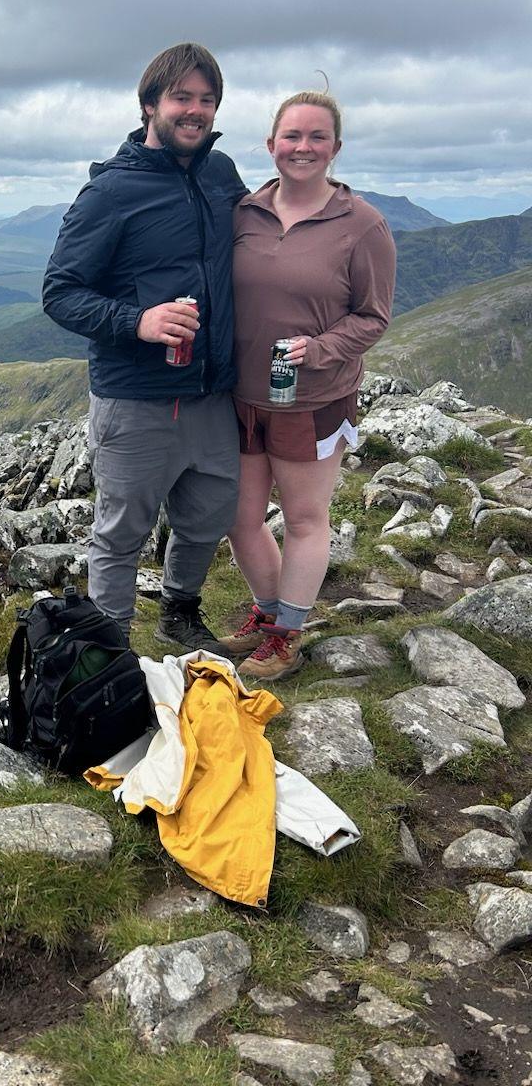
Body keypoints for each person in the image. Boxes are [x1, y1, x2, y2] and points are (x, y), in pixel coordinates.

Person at [42, 43, 246, 653]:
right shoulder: (111, 192)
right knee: (122, 532)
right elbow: (60, 292)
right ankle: (109, 655)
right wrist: (138, 321)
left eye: (207, 100)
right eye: (182, 97)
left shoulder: (220, 173)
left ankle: (180, 611)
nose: (196, 111)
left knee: (207, 517)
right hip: (136, 400)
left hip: (212, 392)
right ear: (149, 105)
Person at [221, 91, 396, 680]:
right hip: (243, 396)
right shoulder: (244, 212)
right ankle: (268, 614)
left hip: (314, 400)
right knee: (240, 517)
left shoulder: (363, 224)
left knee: (302, 517)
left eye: (316, 137)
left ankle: (286, 635)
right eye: (291, 136)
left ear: (335, 149)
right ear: (271, 146)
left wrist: (318, 351)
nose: (302, 147)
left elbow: (373, 316)